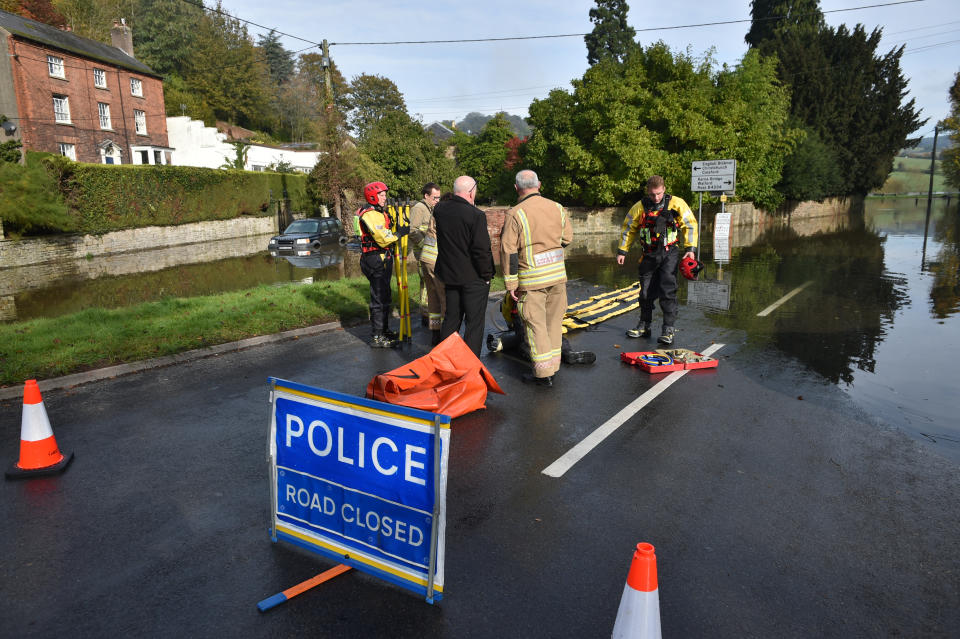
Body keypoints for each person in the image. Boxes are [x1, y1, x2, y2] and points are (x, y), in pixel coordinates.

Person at [499, 169, 573, 387]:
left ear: (516, 188)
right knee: (554, 322)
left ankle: (542, 374)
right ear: (539, 185)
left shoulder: (515, 213)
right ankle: (554, 367)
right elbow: (567, 238)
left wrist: (511, 282)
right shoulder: (557, 207)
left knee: (535, 324)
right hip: (558, 276)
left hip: (532, 280)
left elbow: (508, 251)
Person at [615, 175, 698, 345]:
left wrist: (691, 249)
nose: (656, 198)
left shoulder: (677, 203)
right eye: (653, 194)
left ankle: (668, 329)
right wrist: (622, 251)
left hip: (669, 253)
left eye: (659, 194)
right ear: (648, 191)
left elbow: (690, 225)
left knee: (667, 291)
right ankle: (644, 325)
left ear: (664, 189)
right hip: (648, 255)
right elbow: (628, 229)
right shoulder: (639, 207)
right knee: (645, 292)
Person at [433, 175, 495, 357]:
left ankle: (442, 360)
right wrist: (486, 274)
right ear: (471, 192)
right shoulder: (476, 215)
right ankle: (470, 368)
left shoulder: (440, 209)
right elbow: (481, 250)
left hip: (450, 275)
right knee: (474, 324)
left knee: (452, 319)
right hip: (473, 277)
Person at [358, 181, 402, 348]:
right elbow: (382, 238)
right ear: (373, 196)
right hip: (374, 259)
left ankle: (383, 330)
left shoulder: (379, 212)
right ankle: (376, 336)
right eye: (382, 195)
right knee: (378, 297)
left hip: (382, 257)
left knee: (385, 295)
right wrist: (398, 235)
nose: (385, 198)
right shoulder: (369, 214)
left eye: (385, 194)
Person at [409, 182, 445, 344]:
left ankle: (429, 313)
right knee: (428, 286)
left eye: (439, 197)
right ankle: (425, 314)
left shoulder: (431, 208)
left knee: (429, 286)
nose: (437, 200)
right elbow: (413, 231)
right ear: (426, 196)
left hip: (431, 253)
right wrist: (426, 246)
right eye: (435, 197)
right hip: (424, 253)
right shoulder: (419, 208)